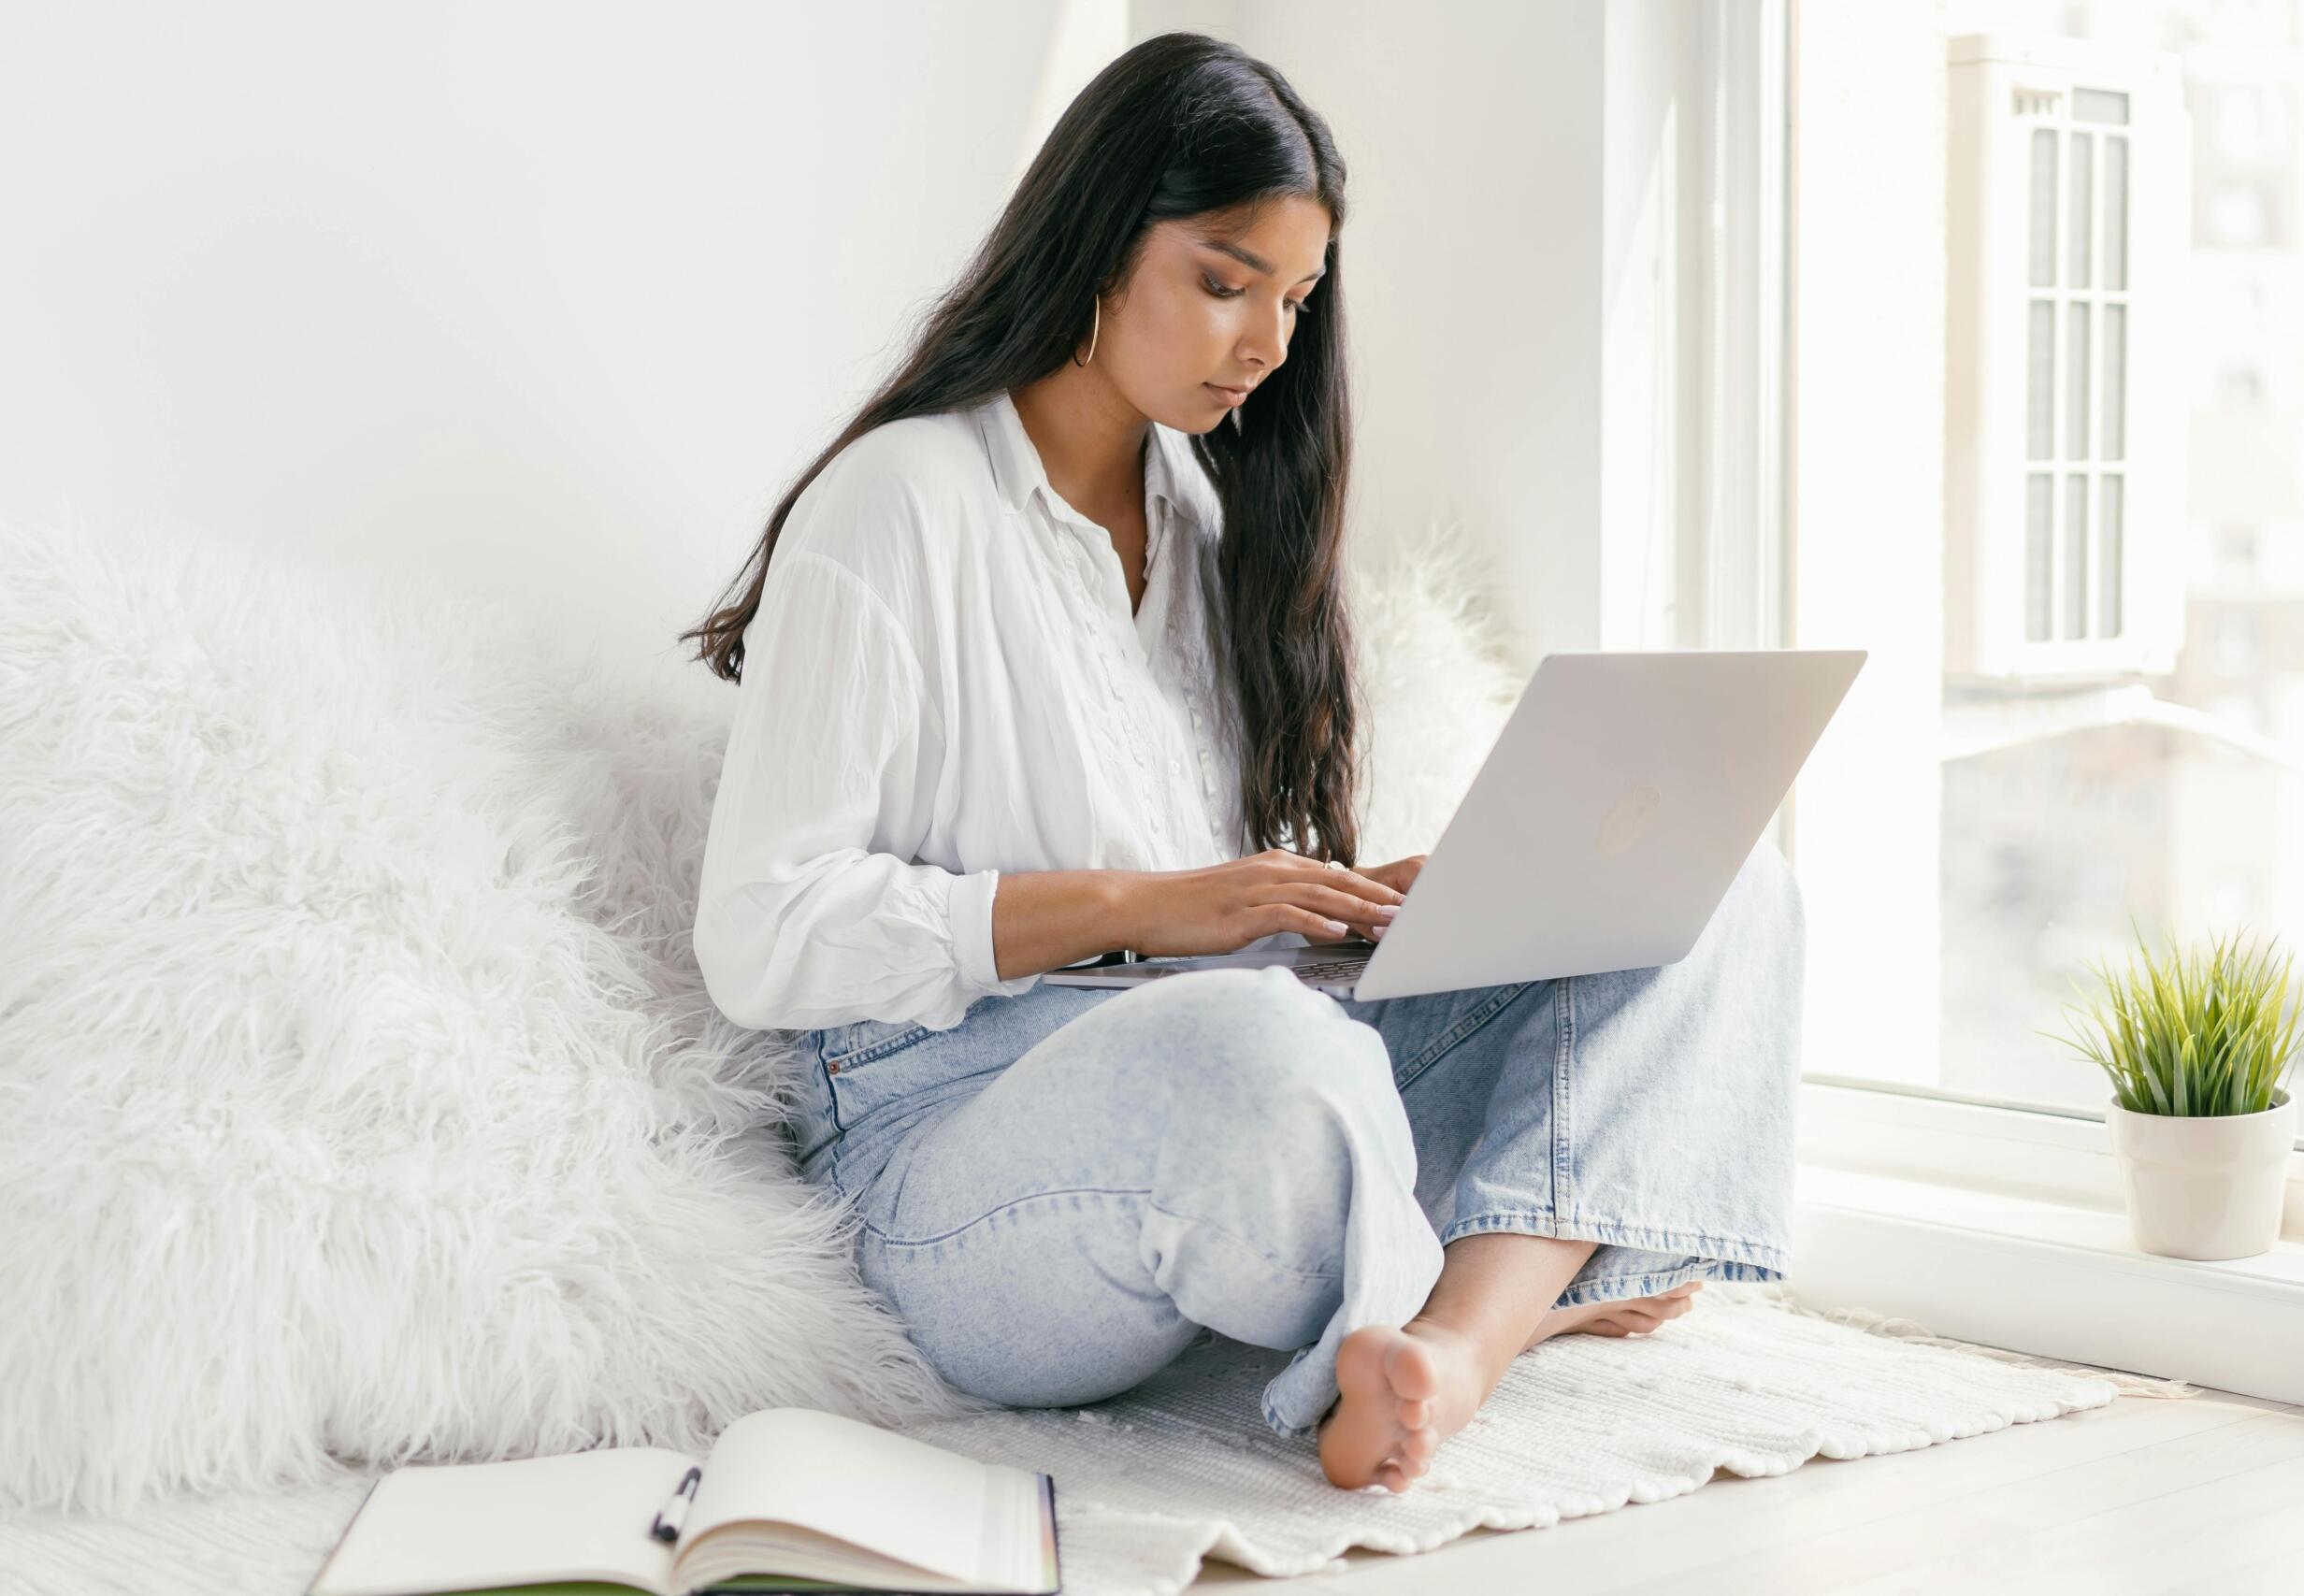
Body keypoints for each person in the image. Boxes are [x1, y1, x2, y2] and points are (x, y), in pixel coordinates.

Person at [681, 30, 1806, 1494]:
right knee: (1259, 1052)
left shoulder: (1210, 530)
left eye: (1294, 297)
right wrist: (1146, 906)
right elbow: (761, 940)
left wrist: (1361, 906)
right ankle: (1538, 1268)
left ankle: (1452, 1349)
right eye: (1225, 282)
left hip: (1252, 1058)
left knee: (1716, 887)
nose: (1269, 344)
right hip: (957, 1153)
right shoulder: (898, 505)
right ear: (1094, 248)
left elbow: (1239, 950)